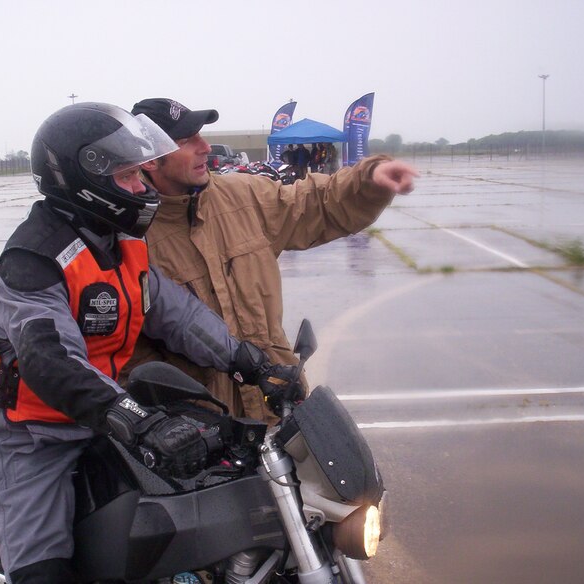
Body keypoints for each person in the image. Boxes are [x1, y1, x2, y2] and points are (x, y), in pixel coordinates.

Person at [0, 102, 301, 583]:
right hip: (29, 433)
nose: (141, 188)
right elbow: (49, 360)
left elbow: (178, 316)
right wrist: (136, 421)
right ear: (85, 180)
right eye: (127, 178)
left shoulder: (122, 242)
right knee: (45, 573)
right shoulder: (33, 260)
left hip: (101, 414)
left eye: (139, 175)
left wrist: (251, 362)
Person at [126, 97, 418, 423]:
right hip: (202, 425)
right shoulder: (129, 235)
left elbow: (314, 203)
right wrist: (169, 413)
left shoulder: (244, 196)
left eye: (201, 135)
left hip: (279, 402)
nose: (205, 146)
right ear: (151, 160)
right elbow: (124, 350)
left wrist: (368, 180)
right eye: (186, 141)